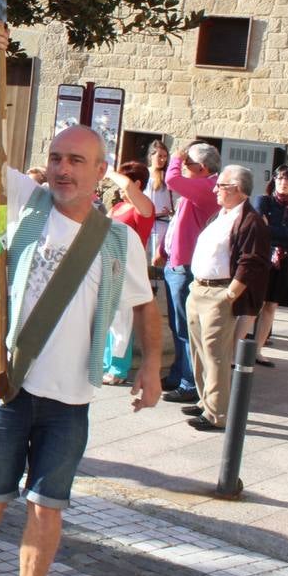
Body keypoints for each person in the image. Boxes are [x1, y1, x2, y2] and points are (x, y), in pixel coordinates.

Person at [0, 22, 160, 576]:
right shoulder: (19, 196)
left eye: (76, 161)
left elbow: (147, 308)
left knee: (48, 507)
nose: (62, 169)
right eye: (57, 157)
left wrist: (148, 367)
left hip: (71, 400)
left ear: (101, 172)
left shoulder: (121, 240)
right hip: (8, 386)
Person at [182, 165, 271, 431]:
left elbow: (251, 261)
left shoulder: (250, 220)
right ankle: (205, 401)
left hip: (218, 293)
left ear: (236, 189)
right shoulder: (221, 215)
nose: (215, 189)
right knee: (198, 350)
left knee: (215, 353)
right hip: (199, 289)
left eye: (220, 185)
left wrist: (230, 294)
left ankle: (217, 413)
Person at [160, 143, 221, 403]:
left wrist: (175, 157)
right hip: (176, 263)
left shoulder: (208, 186)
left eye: (189, 164)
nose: (184, 167)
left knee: (185, 328)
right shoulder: (202, 185)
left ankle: (188, 383)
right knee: (177, 326)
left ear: (202, 168)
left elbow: (171, 179)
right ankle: (178, 373)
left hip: (184, 267)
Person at [244, 164, 288, 367]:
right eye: (280, 178)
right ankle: (236, 348)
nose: (283, 182)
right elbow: (259, 229)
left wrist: (274, 230)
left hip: (285, 262)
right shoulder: (264, 202)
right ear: (274, 181)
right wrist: (286, 233)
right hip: (263, 260)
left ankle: (258, 351)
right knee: (255, 305)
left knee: (271, 306)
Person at [101, 162, 155, 386]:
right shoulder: (119, 206)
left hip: (128, 268)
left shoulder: (142, 207)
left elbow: (128, 187)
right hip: (108, 263)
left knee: (123, 318)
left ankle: (117, 368)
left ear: (137, 183)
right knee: (106, 317)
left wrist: (108, 170)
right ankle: (103, 363)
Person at [145, 140, 174, 270]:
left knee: (157, 261)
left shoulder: (168, 176)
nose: (162, 159)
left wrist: (173, 211)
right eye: (159, 156)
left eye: (165, 156)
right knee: (141, 257)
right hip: (144, 220)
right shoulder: (143, 173)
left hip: (161, 223)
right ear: (151, 156)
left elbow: (178, 199)